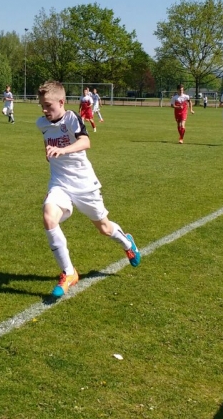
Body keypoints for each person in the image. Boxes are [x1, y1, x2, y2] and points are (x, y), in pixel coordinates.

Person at [35, 80, 140, 299]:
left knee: (104, 228)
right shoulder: (42, 123)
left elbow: (85, 142)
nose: (44, 110)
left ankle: (127, 242)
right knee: (48, 217)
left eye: (48, 105)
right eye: (42, 106)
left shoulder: (71, 118)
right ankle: (69, 273)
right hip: (59, 182)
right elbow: (48, 142)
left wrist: (62, 150)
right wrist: (49, 152)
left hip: (84, 184)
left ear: (61, 102)